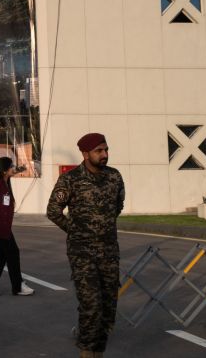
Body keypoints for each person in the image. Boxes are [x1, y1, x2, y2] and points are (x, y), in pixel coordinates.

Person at [46, 133, 126, 358]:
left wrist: (103, 225)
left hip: (109, 251)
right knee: (92, 308)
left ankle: (97, 353)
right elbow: (53, 211)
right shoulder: (70, 180)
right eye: (99, 151)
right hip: (82, 253)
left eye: (106, 150)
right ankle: (86, 353)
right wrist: (76, 230)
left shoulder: (114, 177)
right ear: (85, 153)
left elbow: (117, 206)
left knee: (108, 309)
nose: (105, 155)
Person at [0, 156, 34, 296]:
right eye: (11, 166)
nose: (13, 168)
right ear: (4, 170)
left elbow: (4, 203)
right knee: (13, 253)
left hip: (4, 226)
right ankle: (18, 286)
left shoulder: (5, 182)